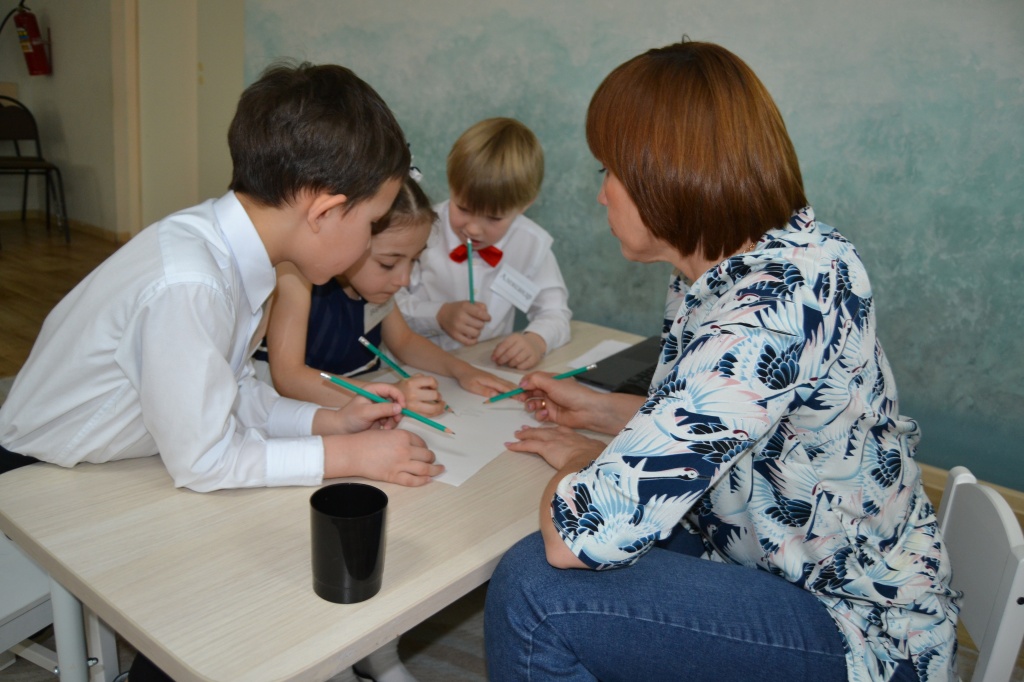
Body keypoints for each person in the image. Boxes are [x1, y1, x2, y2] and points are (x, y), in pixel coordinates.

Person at [485, 40, 959, 682]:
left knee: (536, 589)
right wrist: (597, 410)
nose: (602, 195)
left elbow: (579, 538)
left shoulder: (770, 309)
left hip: (860, 626)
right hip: (779, 557)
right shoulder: (756, 264)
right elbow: (733, 426)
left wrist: (581, 459)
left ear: (663, 174)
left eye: (608, 171)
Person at [0, 61, 445, 491]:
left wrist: (330, 421)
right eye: (372, 223)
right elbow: (205, 461)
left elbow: (232, 391)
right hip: (31, 478)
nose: (367, 245)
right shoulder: (193, 285)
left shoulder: (237, 250)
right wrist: (349, 456)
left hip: (106, 463)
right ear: (324, 212)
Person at [261, 174, 516, 414]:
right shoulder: (296, 277)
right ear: (352, 237)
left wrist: (463, 371)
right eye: (388, 264)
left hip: (355, 411)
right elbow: (289, 378)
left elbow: (404, 342)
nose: (403, 280)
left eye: (414, 260)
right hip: (291, 415)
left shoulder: (373, 286)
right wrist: (390, 395)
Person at [395, 117, 572, 370]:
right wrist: (438, 315)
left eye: (493, 218)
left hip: (488, 369)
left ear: (525, 205)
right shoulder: (421, 229)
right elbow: (388, 306)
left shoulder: (531, 244)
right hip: (419, 368)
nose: (473, 229)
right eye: (463, 208)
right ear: (451, 185)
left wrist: (536, 340)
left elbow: (555, 313)